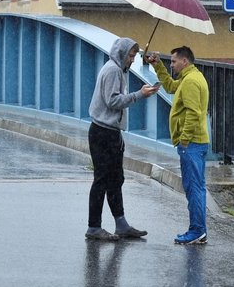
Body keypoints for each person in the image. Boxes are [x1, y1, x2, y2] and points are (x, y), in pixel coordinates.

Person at [86, 37, 160, 241]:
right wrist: (139, 95)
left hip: (111, 131)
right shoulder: (112, 70)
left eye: (134, 55)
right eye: (130, 55)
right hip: (103, 132)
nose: (132, 60)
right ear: (121, 53)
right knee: (102, 179)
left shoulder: (119, 70)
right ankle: (94, 227)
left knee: (116, 178)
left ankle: (121, 224)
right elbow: (112, 101)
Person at [146, 46, 210, 245]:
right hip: (196, 142)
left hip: (192, 143)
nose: (171, 64)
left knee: (194, 188)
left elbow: (193, 113)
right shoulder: (189, 77)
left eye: (173, 61)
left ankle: (197, 230)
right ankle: (199, 230)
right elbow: (171, 87)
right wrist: (158, 67)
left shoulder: (190, 81)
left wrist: (184, 139)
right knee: (196, 187)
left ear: (185, 61)